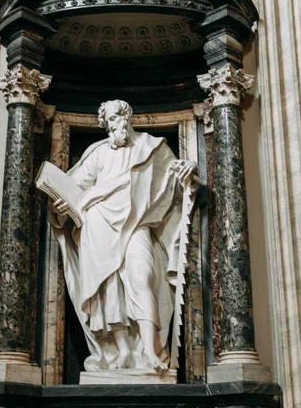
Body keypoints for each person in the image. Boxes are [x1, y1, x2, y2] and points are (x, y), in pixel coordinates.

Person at [50, 99, 198, 372]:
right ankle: (123, 351)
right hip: (98, 224)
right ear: (104, 125)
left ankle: (151, 351)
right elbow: (73, 189)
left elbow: (177, 186)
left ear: (128, 117)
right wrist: (61, 207)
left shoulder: (153, 148)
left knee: (142, 278)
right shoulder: (97, 154)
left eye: (118, 116)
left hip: (137, 225)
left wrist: (188, 173)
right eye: (108, 120)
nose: (114, 123)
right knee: (109, 290)